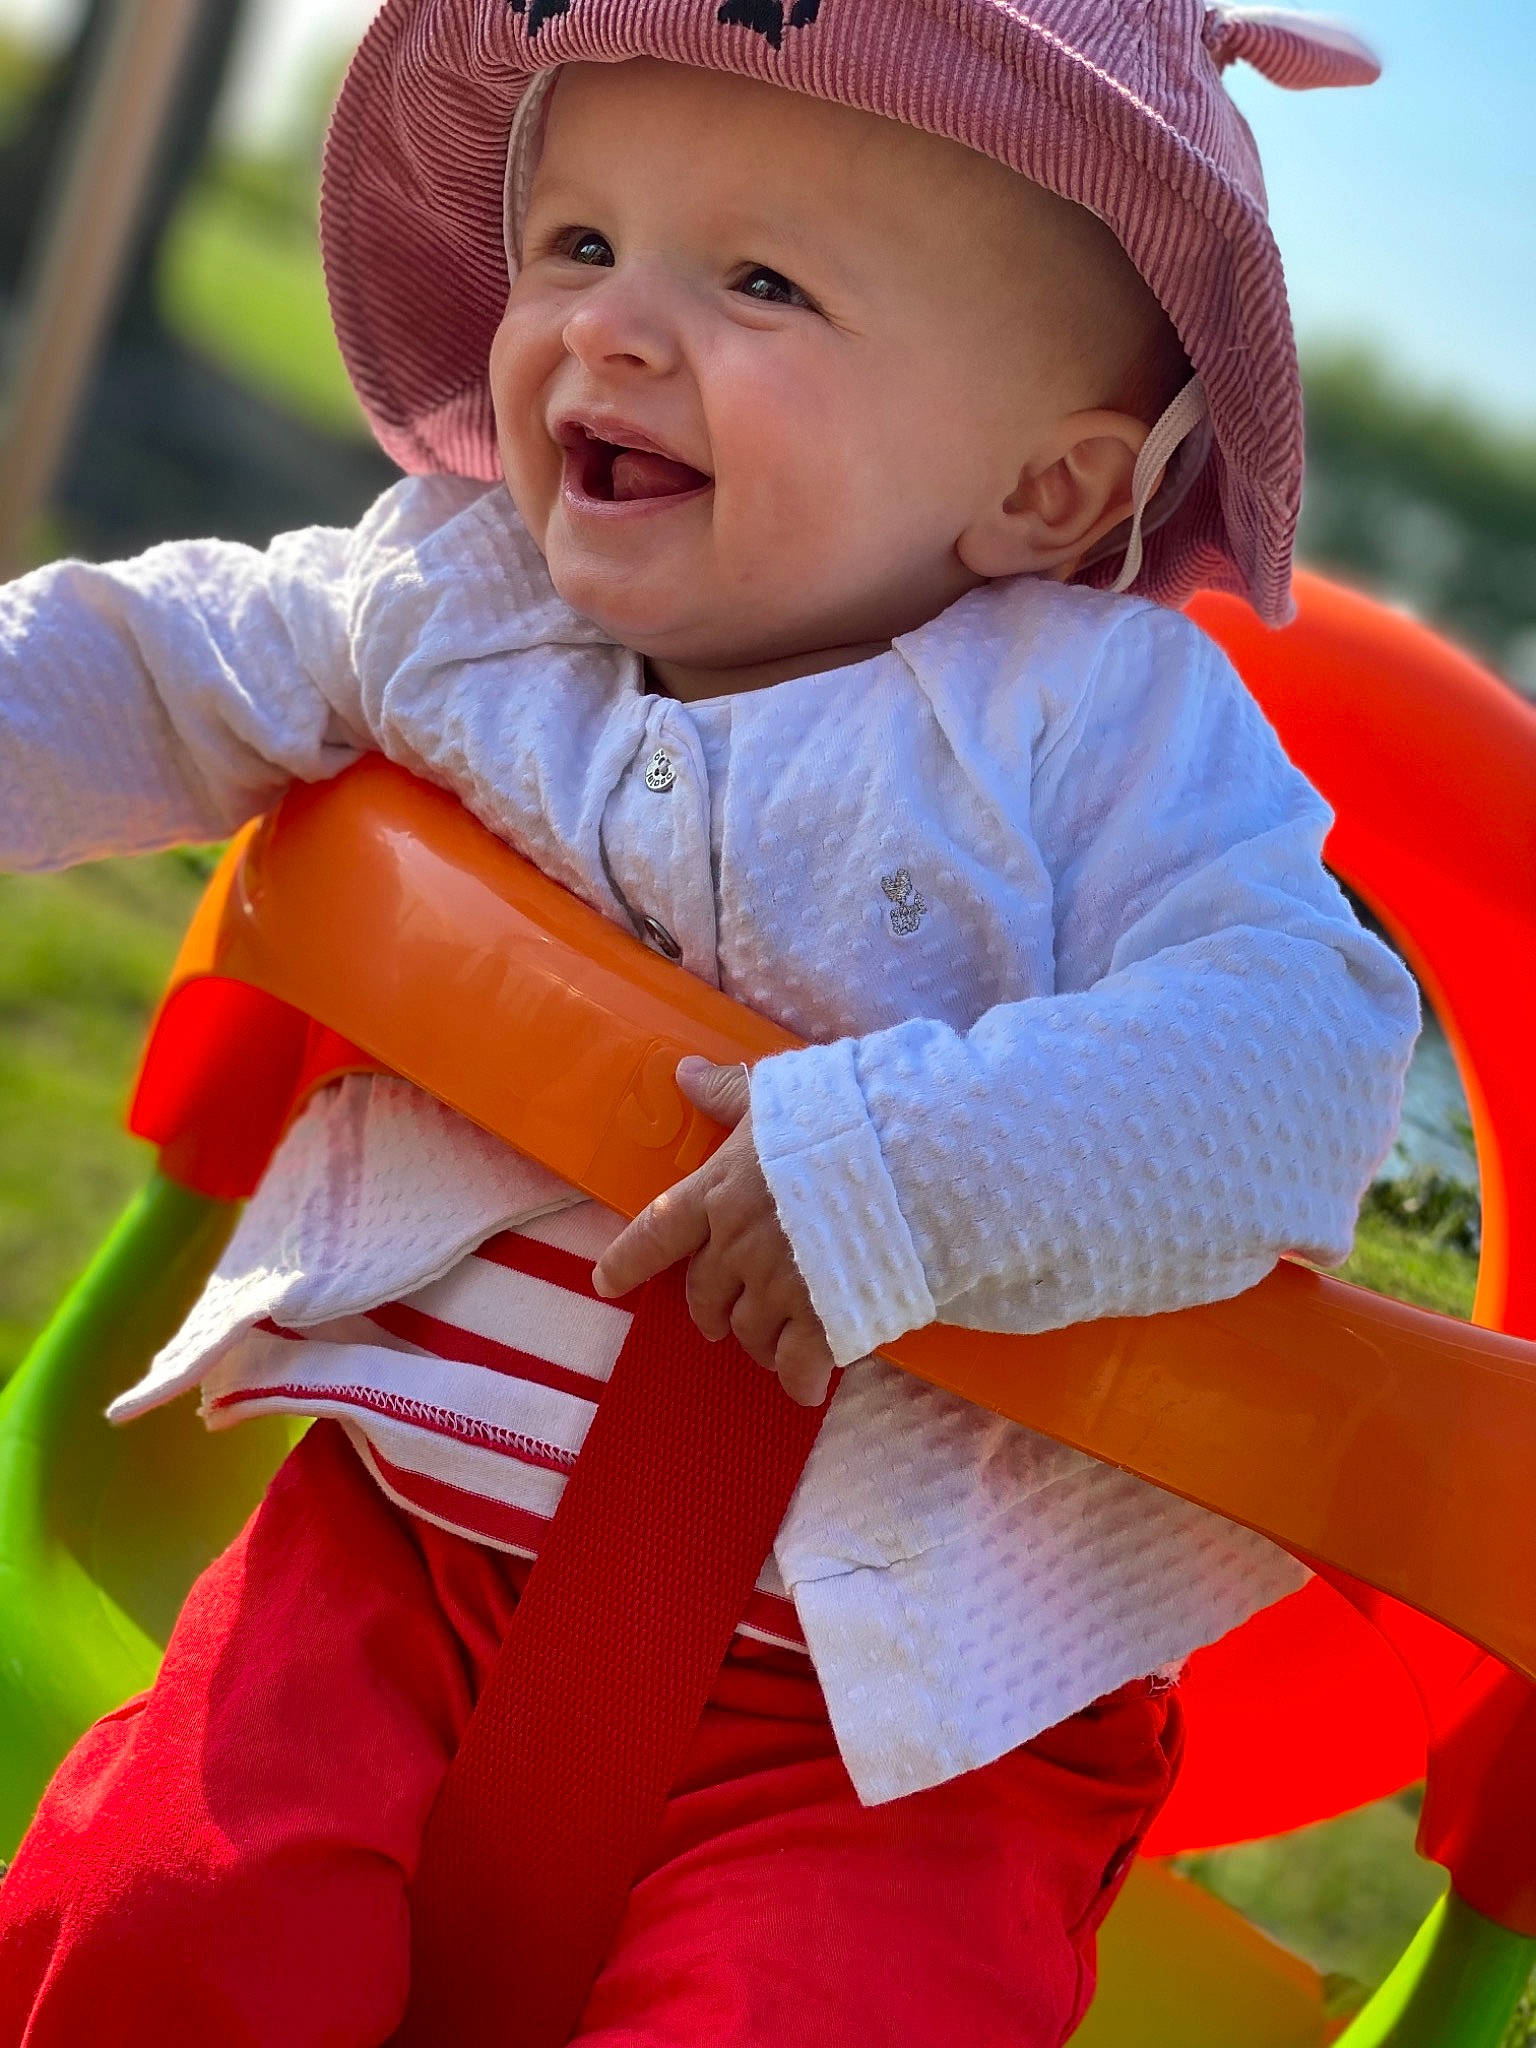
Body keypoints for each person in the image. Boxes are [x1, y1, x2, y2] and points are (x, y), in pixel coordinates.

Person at [0, 4, 1418, 2042]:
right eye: (576, 244)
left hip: (897, 1719)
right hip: (404, 1556)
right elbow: (154, 660)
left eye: (759, 280)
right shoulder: (459, 601)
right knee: (162, 1930)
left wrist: (920, 1162)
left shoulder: (1105, 734)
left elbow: (1307, 1049)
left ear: (1045, 489)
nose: (610, 328)